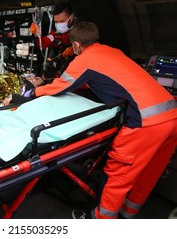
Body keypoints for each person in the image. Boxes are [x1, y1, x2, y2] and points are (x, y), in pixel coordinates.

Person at [11, 21, 177, 219]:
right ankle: (129, 213)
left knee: (119, 176)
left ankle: (100, 220)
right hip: (172, 115)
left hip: (146, 124)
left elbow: (58, 87)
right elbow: (111, 78)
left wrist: (32, 91)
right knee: (149, 172)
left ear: (76, 45)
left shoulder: (83, 60)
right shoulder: (113, 52)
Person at [30, 2, 77, 79]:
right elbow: (43, 44)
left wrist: (74, 49)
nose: (59, 25)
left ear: (71, 17)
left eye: (61, 21)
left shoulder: (81, 29)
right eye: (56, 22)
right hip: (61, 69)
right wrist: (36, 34)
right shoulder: (55, 33)